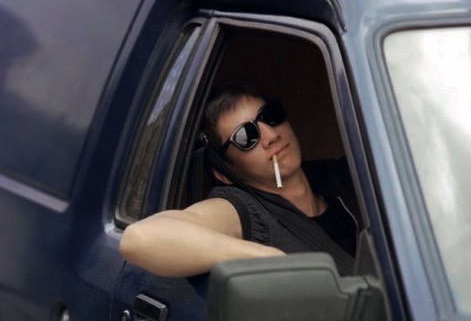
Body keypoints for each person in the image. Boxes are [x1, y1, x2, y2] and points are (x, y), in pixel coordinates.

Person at [120, 81, 360, 277]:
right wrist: (271, 259)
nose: (270, 136)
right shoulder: (242, 209)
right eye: (246, 136)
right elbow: (140, 239)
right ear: (224, 173)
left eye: (270, 115)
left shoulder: (339, 176)